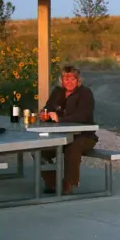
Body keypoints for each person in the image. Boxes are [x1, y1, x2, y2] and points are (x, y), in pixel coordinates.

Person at [39, 65, 98, 194]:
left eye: (72, 79)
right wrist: (44, 115)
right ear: (61, 80)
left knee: (73, 148)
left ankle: (69, 184)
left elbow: (83, 115)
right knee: (38, 149)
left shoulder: (85, 93)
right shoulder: (57, 92)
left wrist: (59, 118)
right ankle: (52, 183)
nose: (69, 82)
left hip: (84, 136)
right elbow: (47, 108)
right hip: (59, 135)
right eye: (66, 79)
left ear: (78, 80)